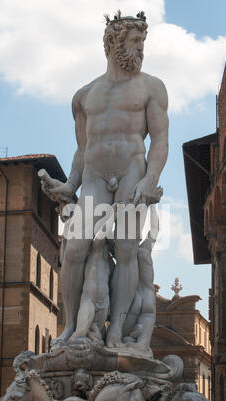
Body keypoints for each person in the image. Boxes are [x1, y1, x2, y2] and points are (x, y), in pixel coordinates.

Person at [45, 11, 169, 349]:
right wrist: (70, 185)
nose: (141, 49)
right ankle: (72, 327)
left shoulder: (151, 87)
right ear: (114, 43)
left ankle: (115, 333)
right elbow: (82, 149)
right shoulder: (84, 96)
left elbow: (159, 141)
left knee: (127, 248)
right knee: (75, 250)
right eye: (136, 42)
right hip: (95, 175)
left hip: (132, 172)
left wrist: (149, 180)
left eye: (143, 43)